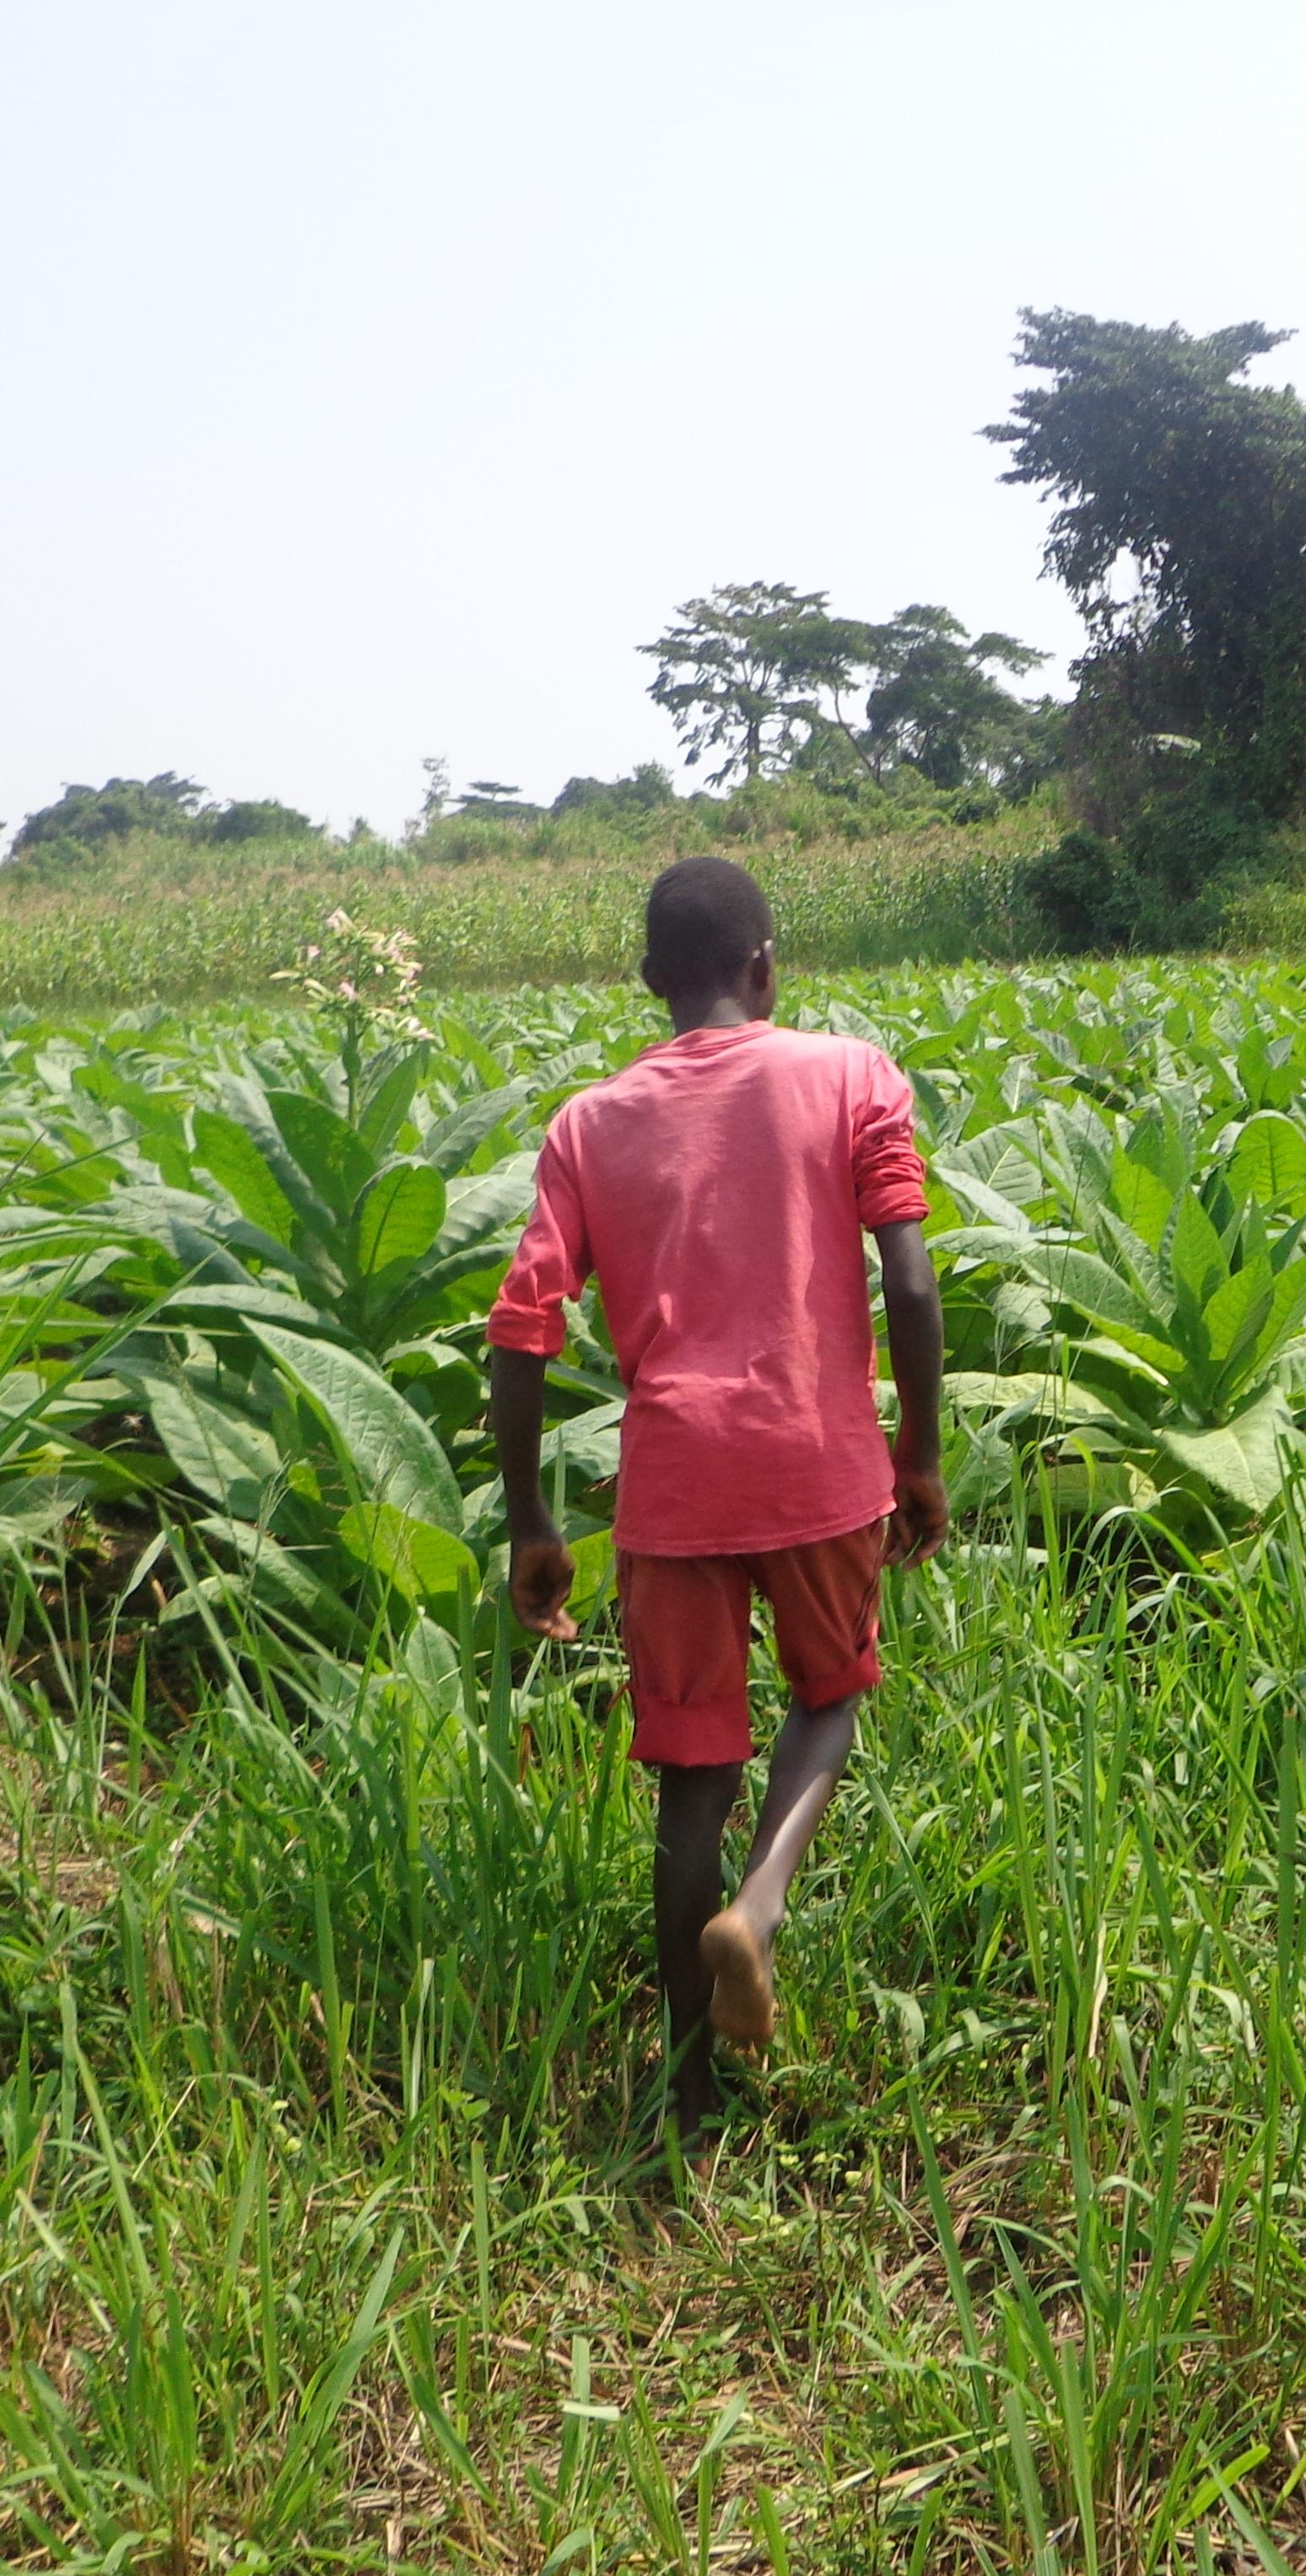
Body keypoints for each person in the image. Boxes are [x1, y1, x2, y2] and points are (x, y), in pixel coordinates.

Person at [485, 856, 948, 2148]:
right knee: (832, 1695)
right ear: (766, 966)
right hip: (817, 1460)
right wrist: (917, 1454)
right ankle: (763, 1906)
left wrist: (532, 1520)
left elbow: (519, 1334)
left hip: (674, 1484)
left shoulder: (589, 1124)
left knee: (689, 1783)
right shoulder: (852, 1075)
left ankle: (688, 2091)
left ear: (651, 984)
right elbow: (909, 1285)